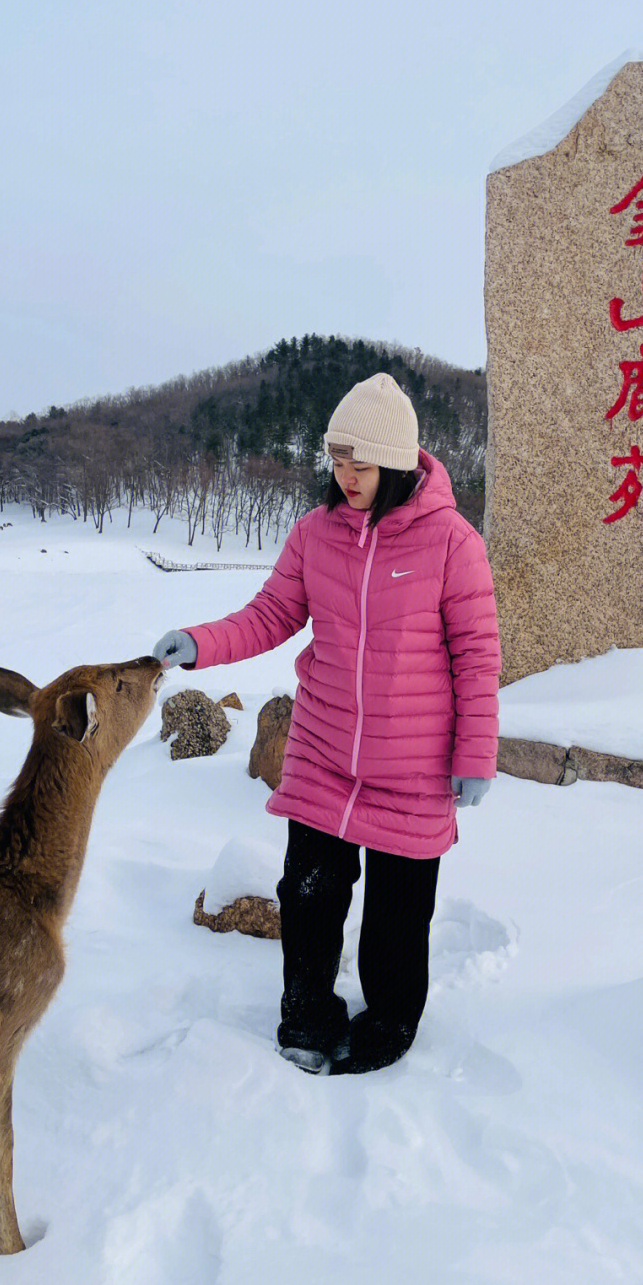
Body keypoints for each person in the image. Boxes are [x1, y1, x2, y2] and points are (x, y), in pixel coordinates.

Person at [153, 372, 500, 1075]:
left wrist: (476, 753)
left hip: (414, 763)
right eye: (337, 459)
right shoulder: (315, 534)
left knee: (397, 921)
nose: (345, 475)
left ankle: (389, 1024)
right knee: (307, 896)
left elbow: (477, 653)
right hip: (322, 750)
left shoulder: (451, 543)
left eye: (360, 463)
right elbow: (271, 614)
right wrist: (201, 643)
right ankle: (305, 1015)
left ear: (397, 462)